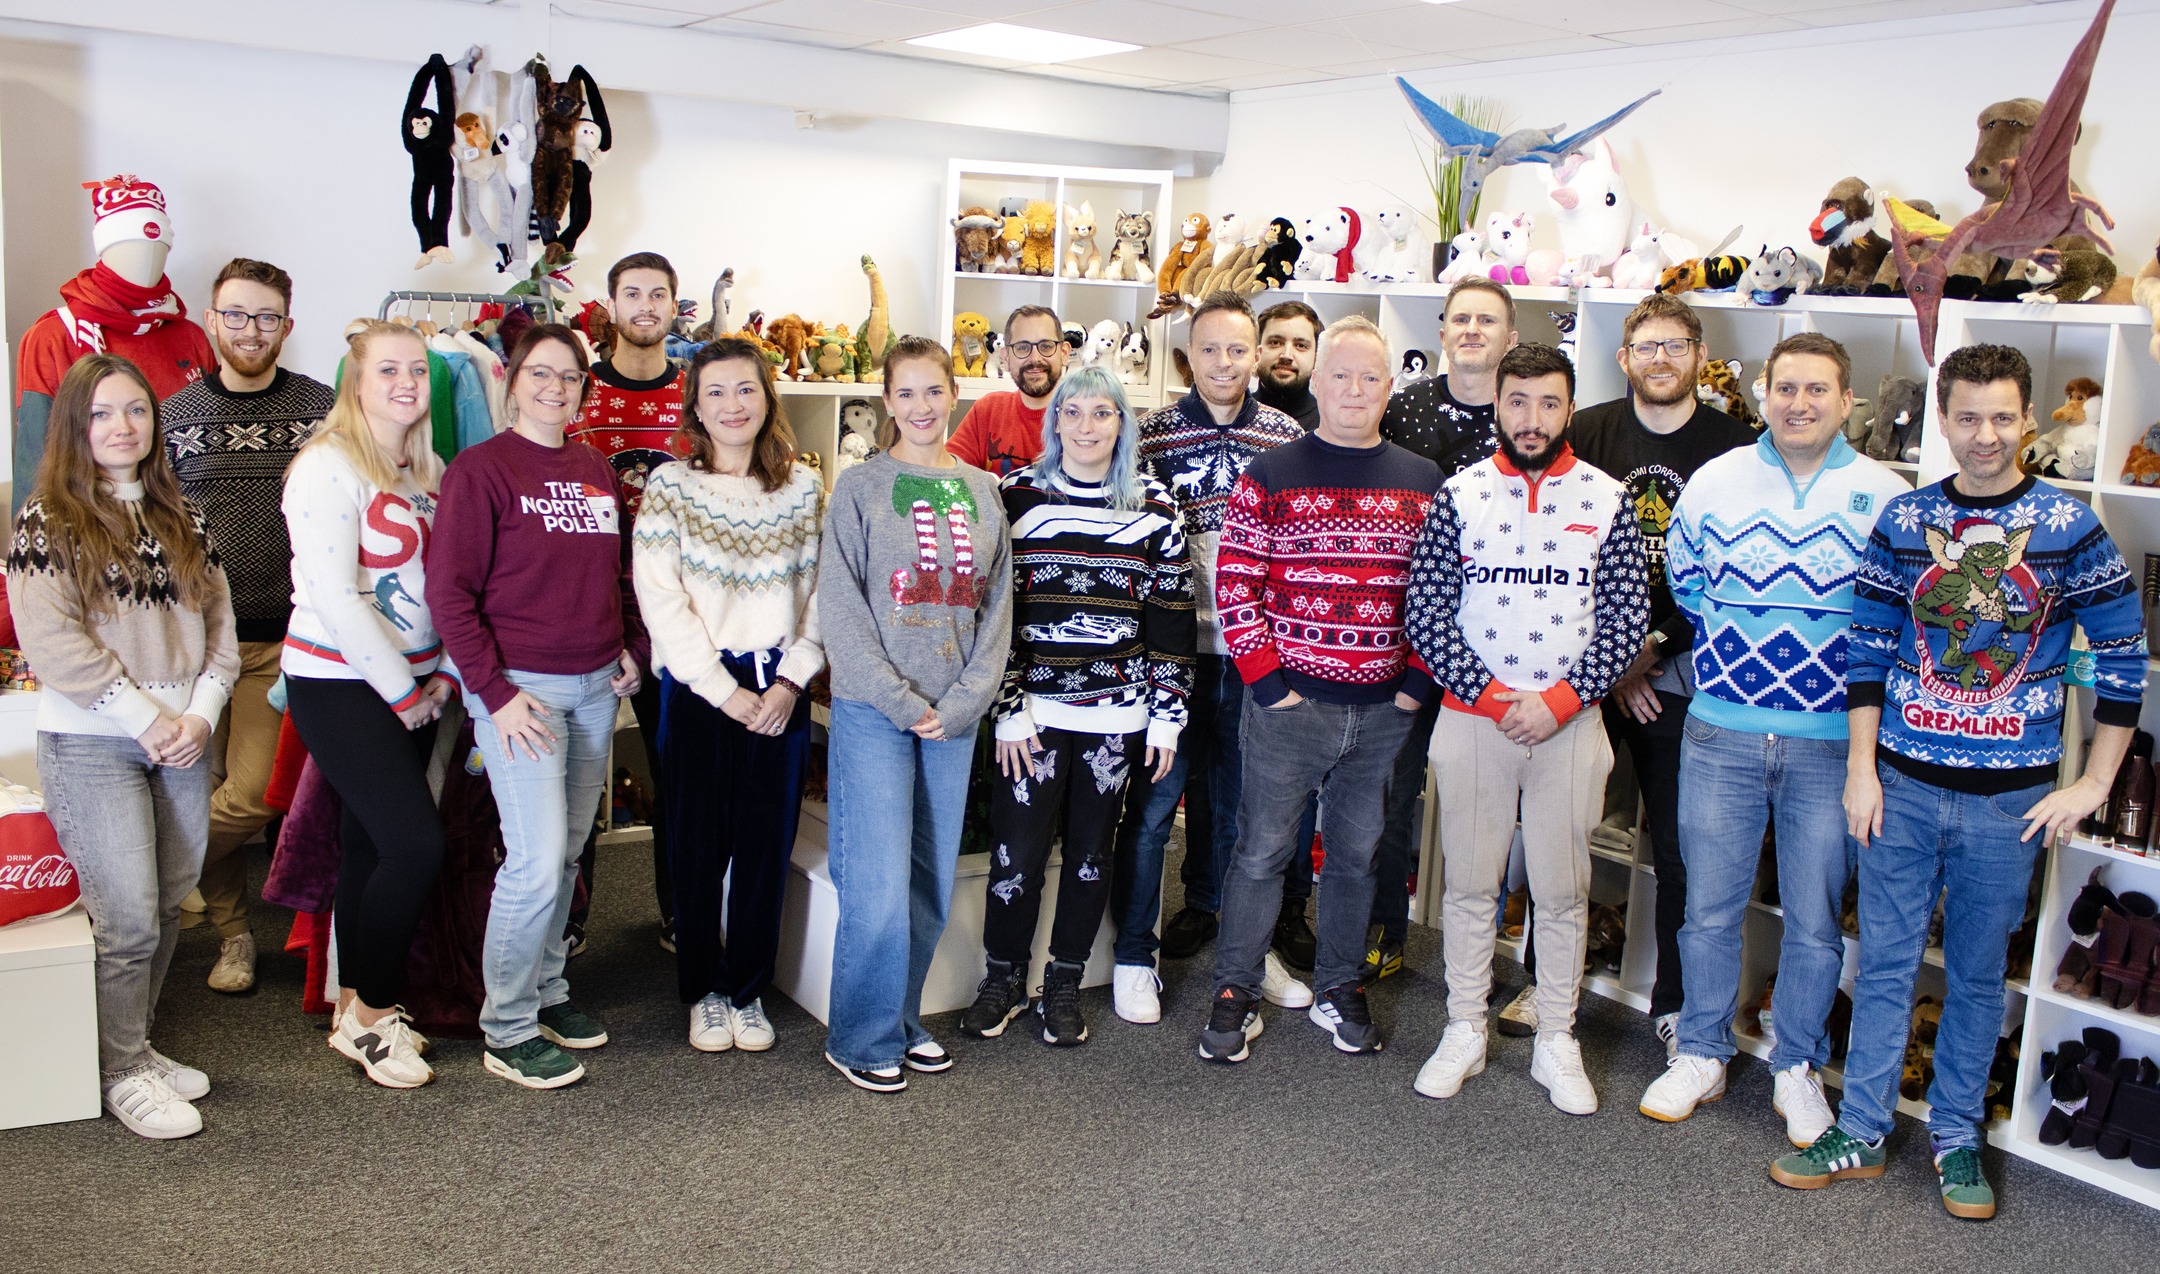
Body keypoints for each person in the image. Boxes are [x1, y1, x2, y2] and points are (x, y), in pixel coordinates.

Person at [1773, 344, 2149, 1221]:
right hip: (1900, 789)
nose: (1985, 437)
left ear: (2028, 419)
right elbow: (1864, 653)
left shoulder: (2068, 528)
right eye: (1968, 418)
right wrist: (1862, 772)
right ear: (1942, 419)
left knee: (1979, 977)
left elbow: (2124, 662)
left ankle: (1955, 1140)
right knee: (1887, 964)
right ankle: (1862, 1128)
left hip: (2010, 807)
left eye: (2003, 418)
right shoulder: (1905, 523)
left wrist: (2093, 784)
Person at [1639, 332, 1909, 1144]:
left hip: (1831, 742)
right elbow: (1684, 582)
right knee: (1708, 908)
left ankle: (1797, 1066)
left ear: (1846, 400)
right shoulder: (1716, 481)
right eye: (1785, 388)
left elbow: (1895, 616)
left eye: (1817, 390)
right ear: (1762, 392)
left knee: (1816, 919)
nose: (1799, 404)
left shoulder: (1886, 494)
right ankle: (1701, 1050)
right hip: (1721, 731)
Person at [1404, 343, 1648, 1114]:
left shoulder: (1607, 499)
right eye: (1518, 401)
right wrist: (1496, 693)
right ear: (1499, 404)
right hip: (1475, 721)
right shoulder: (1460, 493)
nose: (1532, 418)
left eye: (1548, 403)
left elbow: (1624, 620)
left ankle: (1556, 1038)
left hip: (1568, 727)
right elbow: (1427, 611)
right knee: (1472, 885)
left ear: (1569, 407)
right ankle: (1464, 1027)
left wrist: (1560, 701)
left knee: (1562, 890)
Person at [1196, 315, 1440, 1065]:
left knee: (1359, 857)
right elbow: (1236, 586)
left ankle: (1339, 985)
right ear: (1319, 381)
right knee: (1263, 851)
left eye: (1371, 377)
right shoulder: (1270, 474)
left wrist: (1411, 687)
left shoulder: (1423, 481)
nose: (1355, 390)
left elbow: (1440, 594)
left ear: (1389, 387)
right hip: (1288, 708)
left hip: (1383, 712)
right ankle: (1235, 986)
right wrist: (1270, 688)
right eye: (1342, 375)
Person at [8, 354, 238, 1138]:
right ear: (77, 426)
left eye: (136, 410)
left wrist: (200, 716)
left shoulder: (183, 516)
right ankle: (120, 1071)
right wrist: (149, 721)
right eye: (103, 414)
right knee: (129, 918)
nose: (122, 427)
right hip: (94, 745)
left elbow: (221, 636)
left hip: (181, 741)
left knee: (172, 901)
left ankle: (133, 1045)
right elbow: (54, 644)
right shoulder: (47, 520)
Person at [426, 323, 644, 1091]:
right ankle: (507, 1025)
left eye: (571, 377)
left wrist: (628, 645)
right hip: (522, 693)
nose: (557, 388)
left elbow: (613, 576)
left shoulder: (593, 469)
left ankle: (549, 990)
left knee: (568, 854)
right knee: (534, 862)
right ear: (512, 380)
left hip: (593, 689)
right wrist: (496, 694)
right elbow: (449, 596)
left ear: (585, 387)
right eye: (540, 374)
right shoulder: (479, 471)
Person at [960, 364, 1193, 1047]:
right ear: (1054, 420)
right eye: (1074, 412)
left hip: (1117, 717)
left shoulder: (1155, 507)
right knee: (1016, 854)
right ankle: (1001, 977)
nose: (1087, 426)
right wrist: (1005, 707)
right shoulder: (1015, 496)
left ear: (1122, 424)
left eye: (1102, 413)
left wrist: (1168, 716)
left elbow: (1173, 620)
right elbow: (991, 614)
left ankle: (1062, 981)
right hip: (1030, 715)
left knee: (1093, 854)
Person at [1561, 293, 1755, 1054]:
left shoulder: (1737, 446)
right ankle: (1557, 984)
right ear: (1624, 358)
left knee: (1680, 849)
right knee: (1566, 833)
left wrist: (1654, 646)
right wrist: (1613, 661)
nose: (1662, 359)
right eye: (1648, 346)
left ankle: (1675, 1005)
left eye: (1676, 345)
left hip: (1683, 672)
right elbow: (1560, 555)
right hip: (1590, 667)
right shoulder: (1589, 432)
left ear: (1699, 356)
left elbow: (1738, 572)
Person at [820, 336, 1013, 1092]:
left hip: (953, 716)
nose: (922, 407)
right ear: (887, 400)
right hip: (878, 711)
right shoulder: (861, 487)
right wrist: (902, 702)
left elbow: (998, 608)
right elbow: (841, 606)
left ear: (953, 395)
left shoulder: (984, 490)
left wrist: (961, 703)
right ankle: (860, 1037)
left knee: (930, 885)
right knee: (875, 882)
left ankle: (900, 1021)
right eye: (906, 394)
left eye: (934, 391)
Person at [1117, 291, 1305, 1027]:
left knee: (1240, 800)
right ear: (1187, 356)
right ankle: (1138, 947)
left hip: (1252, 650)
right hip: (1171, 647)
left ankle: (1235, 932)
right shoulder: (1153, 434)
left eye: (1238, 349)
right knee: (1159, 801)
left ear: (1255, 355)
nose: (1224, 363)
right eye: (1210, 349)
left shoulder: (1287, 437)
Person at [632, 337, 823, 1055]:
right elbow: (661, 600)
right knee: (696, 844)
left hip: (779, 686)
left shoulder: (803, 488)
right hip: (700, 689)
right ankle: (704, 992)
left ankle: (747, 989)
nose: (732, 404)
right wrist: (720, 690)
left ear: (767, 398)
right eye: (716, 392)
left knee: (764, 845)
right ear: (696, 407)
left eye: (745, 389)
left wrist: (790, 679)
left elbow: (822, 593)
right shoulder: (670, 488)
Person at [281, 320, 452, 1090]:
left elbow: (445, 587)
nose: (406, 383)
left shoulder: (429, 470)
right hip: (340, 683)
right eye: (388, 370)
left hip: (417, 684)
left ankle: (353, 1006)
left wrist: (443, 672)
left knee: (370, 847)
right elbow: (337, 598)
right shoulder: (325, 466)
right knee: (416, 845)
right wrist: (406, 692)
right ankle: (377, 1013)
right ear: (356, 382)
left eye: (417, 369)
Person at [161, 257, 334, 994]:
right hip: (194, 643)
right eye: (236, 314)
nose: (251, 330)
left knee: (255, 792)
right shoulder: (172, 417)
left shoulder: (324, 410)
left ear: (287, 327)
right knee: (201, 779)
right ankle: (233, 936)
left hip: (283, 638)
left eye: (266, 317)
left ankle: (157, 865)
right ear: (212, 319)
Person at [1367, 276, 1520, 985]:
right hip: (1403, 636)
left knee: (1483, 810)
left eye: (1486, 320)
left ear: (1509, 338)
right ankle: (1382, 933)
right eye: (1460, 318)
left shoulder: (1527, 417)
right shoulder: (1403, 411)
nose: (1471, 330)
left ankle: (1475, 960)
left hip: (1496, 642)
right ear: (1441, 332)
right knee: (1390, 794)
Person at [569, 250, 685, 954]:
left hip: (671, 616)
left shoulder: (699, 393)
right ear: (611, 306)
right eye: (632, 293)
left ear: (676, 307)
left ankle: (677, 911)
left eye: (659, 294)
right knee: (577, 774)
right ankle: (570, 919)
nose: (646, 306)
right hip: (588, 606)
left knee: (674, 769)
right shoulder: (575, 391)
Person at [945, 305, 1068, 477]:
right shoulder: (988, 410)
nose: (1035, 359)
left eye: (1046, 346)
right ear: (1006, 357)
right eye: (1023, 347)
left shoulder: (1085, 418)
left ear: (1064, 353)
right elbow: (947, 475)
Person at [1253, 300, 1320, 430]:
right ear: (1256, 351)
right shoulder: (1232, 416)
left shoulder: (1331, 423)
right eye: (1275, 343)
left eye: (1300, 345)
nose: (1286, 355)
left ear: (1316, 357)